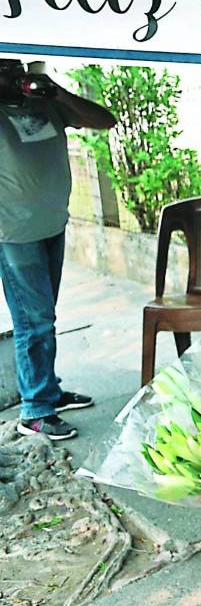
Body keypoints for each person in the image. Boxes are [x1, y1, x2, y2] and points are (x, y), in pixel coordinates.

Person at [0, 59, 116, 441]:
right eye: (4, 70)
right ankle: (35, 410)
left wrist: (59, 92)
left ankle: (47, 391)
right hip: (14, 234)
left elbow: (105, 120)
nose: (15, 75)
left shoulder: (46, 103)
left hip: (52, 224)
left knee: (44, 317)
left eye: (17, 67)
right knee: (33, 322)